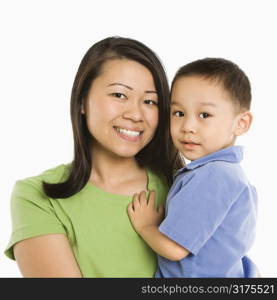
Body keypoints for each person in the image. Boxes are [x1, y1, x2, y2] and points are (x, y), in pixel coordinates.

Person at [4, 36, 182, 277]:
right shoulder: (38, 196)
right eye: (119, 95)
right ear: (82, 102)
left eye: (150, 101)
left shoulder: (183, 189)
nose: (136, 114)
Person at [127, 58, 258, 277]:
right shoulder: (228, 174)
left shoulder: (213, 175)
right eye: (178, 113)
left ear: (241, 123)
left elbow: (175, 249)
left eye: (204, 115)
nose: (187, 127)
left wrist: (146, 226)